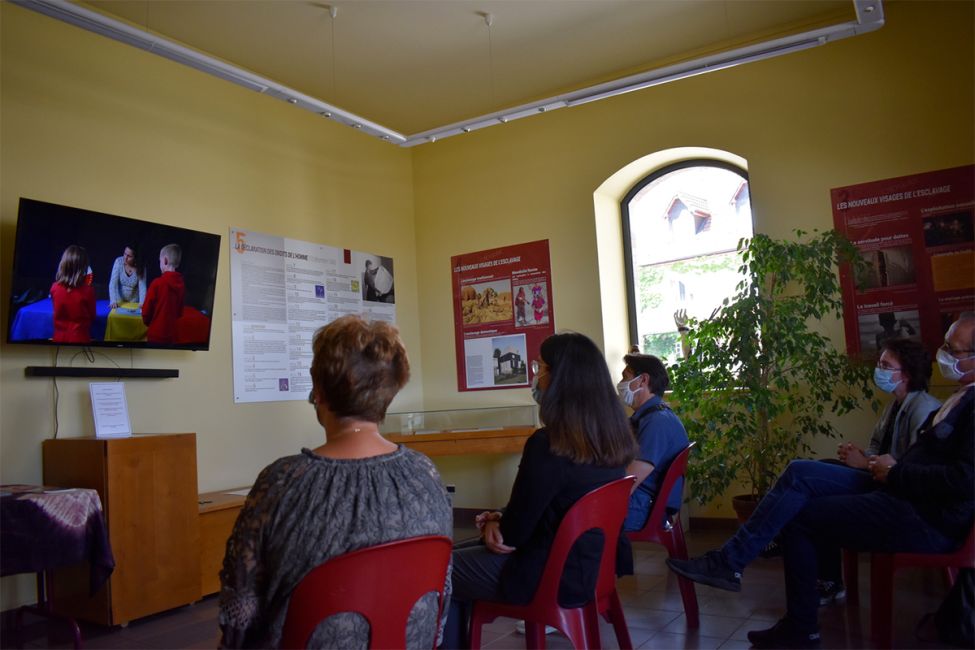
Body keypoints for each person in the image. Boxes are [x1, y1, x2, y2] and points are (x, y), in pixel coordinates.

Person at [667, 314, 975, 649]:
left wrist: (894, 471)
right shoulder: (959, 398)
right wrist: (880, 466)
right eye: (944, 344)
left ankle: (791, 616)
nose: (941, 353)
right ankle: (732, 564)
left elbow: (964, 479)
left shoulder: (957, 405)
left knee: (800, 515)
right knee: (801, 472)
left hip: (923, 515)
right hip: (901, 492)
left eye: (953, 350)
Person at [218, 315, 452, 649]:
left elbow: (239, 612)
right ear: (389, 392)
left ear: (319, 391)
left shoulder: (281, 483)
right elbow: (440, 597)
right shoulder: (426, 474)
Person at [443, 332, 637, 648]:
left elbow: (515, 534)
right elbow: (557, 502)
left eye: (541, 367)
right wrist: (501, 517)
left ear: (561, 380)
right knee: (452, 556)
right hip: (592, 568)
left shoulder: (549, 444)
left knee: (439, 569)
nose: (537, 376)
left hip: (548, 574)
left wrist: (497, 524)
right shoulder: (612, 439)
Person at [815, 338, 941, 603]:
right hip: (877, 479)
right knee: (820, 469)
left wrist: (864, 464)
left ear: (904, 373)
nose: (879, 370)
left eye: (886, 365)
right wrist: (859, 456)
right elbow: (877, 448)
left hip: (898, 494)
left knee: (817, 500)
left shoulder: (925, 408)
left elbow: (912, 465)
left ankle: (825, 577)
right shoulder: (893, 406)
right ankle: (828, 579)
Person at [617, 353, 689, 532]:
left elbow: (629, 481)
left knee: (571, 510)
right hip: (645, 501)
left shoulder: (657, 422)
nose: (620, 384)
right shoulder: (650, 416)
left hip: (643, 508)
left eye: (625, 377)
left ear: (643, 380)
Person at [50, 245, 96, 343]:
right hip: (80, 340)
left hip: (58, 340)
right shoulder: (88, 291)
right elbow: (92, 316)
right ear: (83, 268)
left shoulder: (54, 287)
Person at [142, 243, 184, 343]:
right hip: (172, 336)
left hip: (155, 335)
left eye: (160, 261)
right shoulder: (182, 284)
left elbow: (146, 314)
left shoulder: (157, 283)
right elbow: (179, 312)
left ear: (164, 260)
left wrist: (151, 323)